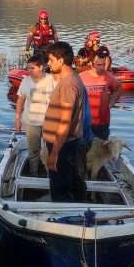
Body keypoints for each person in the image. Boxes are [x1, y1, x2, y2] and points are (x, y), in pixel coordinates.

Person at [42, 41, 88, 203]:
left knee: (60, 187)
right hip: (68, 142)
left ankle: (64, 221)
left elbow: (65, 120)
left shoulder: (69, 84)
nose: (48, 63)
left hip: (62, 144)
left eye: (51, 59)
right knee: (73, 179)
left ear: (61, 61)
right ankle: (78, 210)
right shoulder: (72, 77)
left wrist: (54, 153)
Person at [14, 53, 56, 175]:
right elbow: (20, 100)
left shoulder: (51, 79)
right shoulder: (25, 81)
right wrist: (17, 118)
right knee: (33, 151)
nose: (29, 71)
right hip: (31, 122)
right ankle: (34, 174)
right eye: (28, 68)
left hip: (48, 122)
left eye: (32, 68)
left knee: (49, 150)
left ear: (41, 67)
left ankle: (50, 174)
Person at [79, 53, 122, 140]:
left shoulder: (108, 76)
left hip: (102, 123)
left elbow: (119, 88)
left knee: (102, 149)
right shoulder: (81, 77)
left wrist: (112, 103)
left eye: (103, 64)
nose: (102, 67)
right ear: (91, 64)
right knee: (84, 149)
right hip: (85, 122)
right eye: (99, 65)